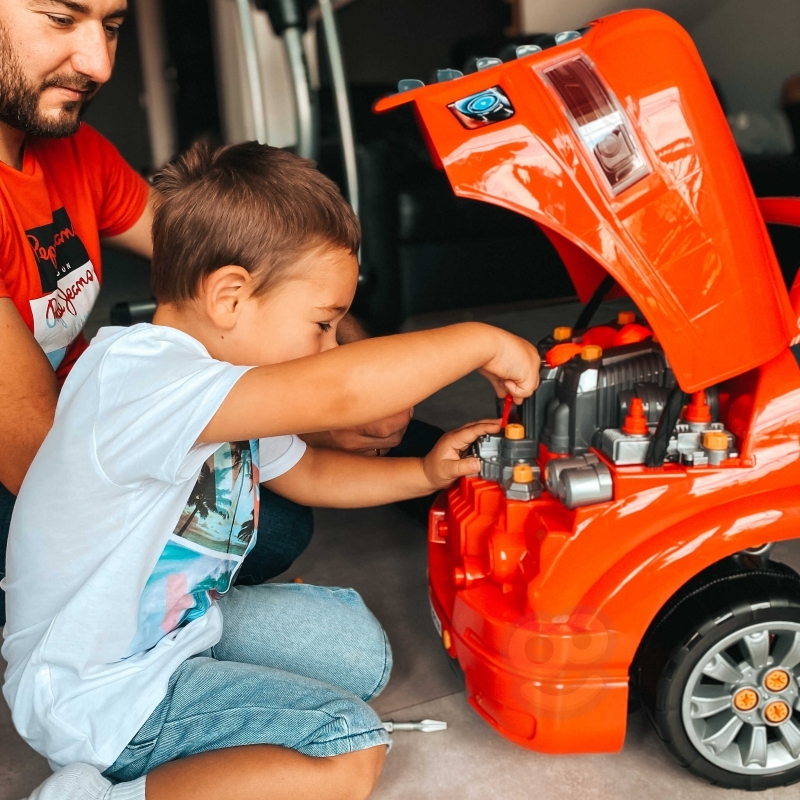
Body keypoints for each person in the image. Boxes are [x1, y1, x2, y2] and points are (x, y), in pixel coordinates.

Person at [2, 141, 540, 800]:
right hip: (97, 686)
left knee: (357, 654)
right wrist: (479, 339)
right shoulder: (141, 379)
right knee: (349, 745)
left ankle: (156, 743)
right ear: (229, 297)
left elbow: (309, 471)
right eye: (322, 324)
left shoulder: (224, 384)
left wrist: (425, 474)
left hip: (177, 633)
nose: (329, 348)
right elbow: (338, 392)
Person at [0, 0, 429, 629]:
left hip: (92, 421)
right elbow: (42, 465)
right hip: (39, 474)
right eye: (61, 20)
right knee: (267, 520)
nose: (98, 64)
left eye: (112, 27)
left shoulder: (76, 153)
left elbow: (231, 260)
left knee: (265, 500)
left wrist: (341, 355)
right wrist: (314, 408)